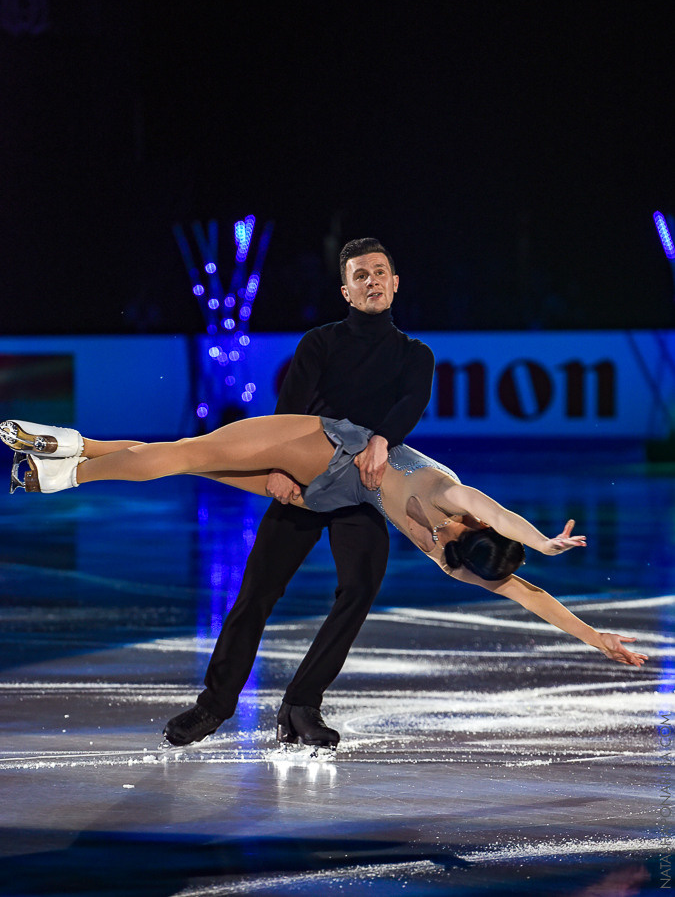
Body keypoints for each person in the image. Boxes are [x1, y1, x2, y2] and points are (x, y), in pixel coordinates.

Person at [5, 239, 437, 750]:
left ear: (395, 282)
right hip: (300, 482)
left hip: (362, 490)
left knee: (360, 588)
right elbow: (287, 414)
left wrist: (382, 440)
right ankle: (214, 706)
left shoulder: (415, 355)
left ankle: (302, 704)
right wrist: (279, 470)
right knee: (256, 591)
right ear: (346, 291)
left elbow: (411, 404)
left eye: (379, 272)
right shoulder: (321, 343)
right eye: (360, 275)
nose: (371, 281)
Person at [3, 414, 649, 692]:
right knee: (187, 454)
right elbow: (496, 512)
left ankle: (66, 445)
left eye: (450, 549)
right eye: (455, 534)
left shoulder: (456, 560)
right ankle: (57, 473)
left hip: (326, 491)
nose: (444, 538)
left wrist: (597, 640)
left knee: (188, 461)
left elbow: (530, 596)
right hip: (324, 446)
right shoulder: (453, 496)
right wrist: (541, 539)